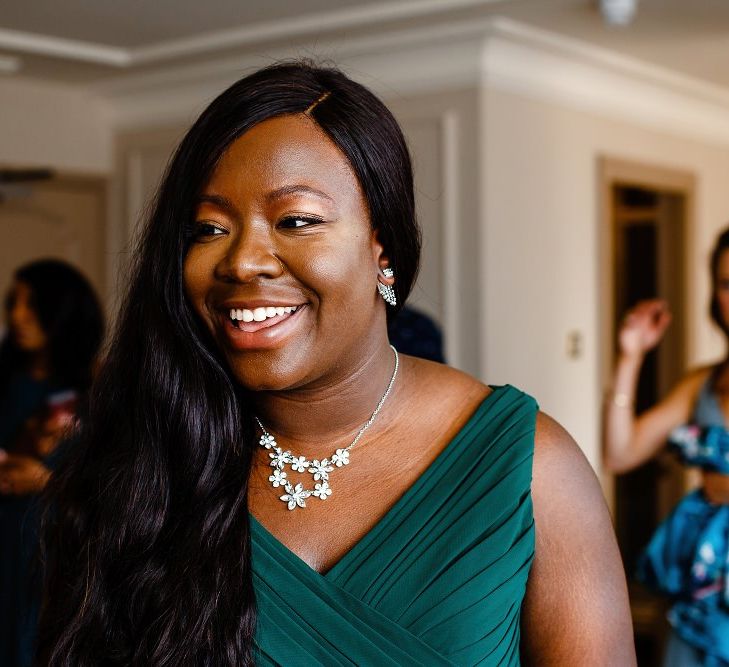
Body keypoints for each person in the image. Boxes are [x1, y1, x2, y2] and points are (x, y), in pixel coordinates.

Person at [39, 62, 634, 666]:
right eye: (208, 228)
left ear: (384, 247)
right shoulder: (143, 462)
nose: (243, 261)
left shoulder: (529, 468)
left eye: (296, 220)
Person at [603, 228, 729, 667]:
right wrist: (631, 356)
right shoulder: (703, 384)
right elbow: (622, 452)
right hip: (699, 583)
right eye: (727, 283)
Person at [0, 259, 104, 667]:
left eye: (33, 305)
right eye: (14, 303)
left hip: (53, 550)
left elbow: (117, 487)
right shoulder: (5, 382)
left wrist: (44, 480)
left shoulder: (98, 392)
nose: (18, 316)